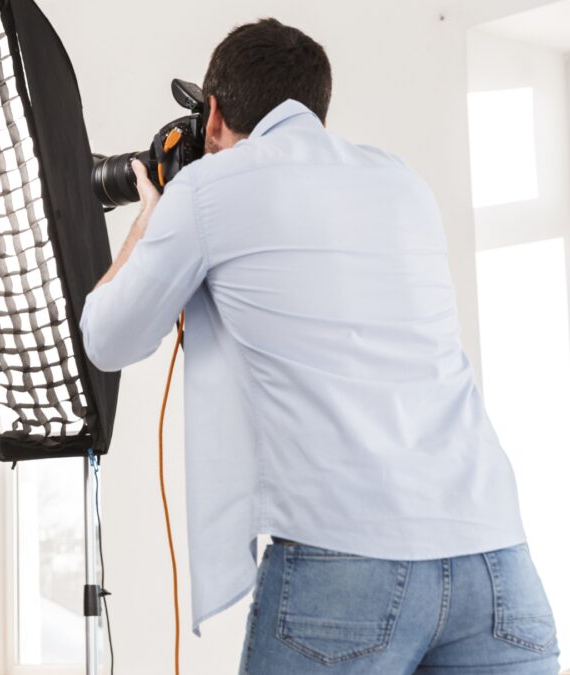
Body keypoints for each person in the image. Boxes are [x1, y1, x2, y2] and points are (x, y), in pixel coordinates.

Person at [80, 18, 559, 675]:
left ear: (212, 114)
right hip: (497, 564)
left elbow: (107, 336)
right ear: (314, 106)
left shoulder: (206, 190)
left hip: (347, 565)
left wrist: (149, 219)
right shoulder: (400, 182)